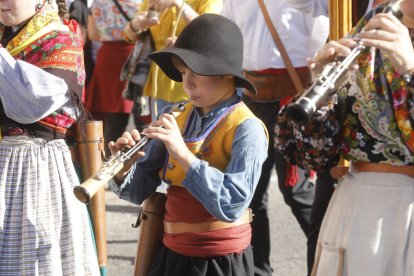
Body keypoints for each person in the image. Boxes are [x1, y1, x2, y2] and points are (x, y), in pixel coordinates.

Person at [109, 14, 268, 275]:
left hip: (219, 260)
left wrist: (183, 154)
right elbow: (138, 191)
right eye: (183, 73)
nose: (187, 83)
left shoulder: (247, 128)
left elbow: (232, 204)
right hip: (170, 253)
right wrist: (124, 168)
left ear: (227, 74)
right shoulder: (177, 114)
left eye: (196, 73)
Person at [275, 0, 414, 274]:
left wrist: (410, 70)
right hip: (357, 208)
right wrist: (319, 89)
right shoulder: (376, 23)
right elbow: (316, 155)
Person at [221, 1, 329, 275]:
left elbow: (319, 39)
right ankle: (259, 270)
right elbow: (230, 35)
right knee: (252, 191)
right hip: (253, 95)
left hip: (292, 95)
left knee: (296, 191)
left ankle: (328, 255)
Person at [0, 0, 100, 275]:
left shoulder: (60, 39)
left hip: (34, 169)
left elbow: (29, 105)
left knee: (34, 260)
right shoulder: (7, 37)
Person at [122, 0, 223, 122]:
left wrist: (178, 4)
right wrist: (135, 24)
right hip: (160, 83)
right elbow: (128, 36)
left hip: (195, 83)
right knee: (160, 136)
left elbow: (210, 30)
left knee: (191, 137)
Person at [85, 0, 140, 156]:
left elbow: (93, 34)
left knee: (113, 113)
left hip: (107, 58)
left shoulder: (97, 3)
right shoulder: (139, 2)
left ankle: (109, 155)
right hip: (133, 58)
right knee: (141, 113)